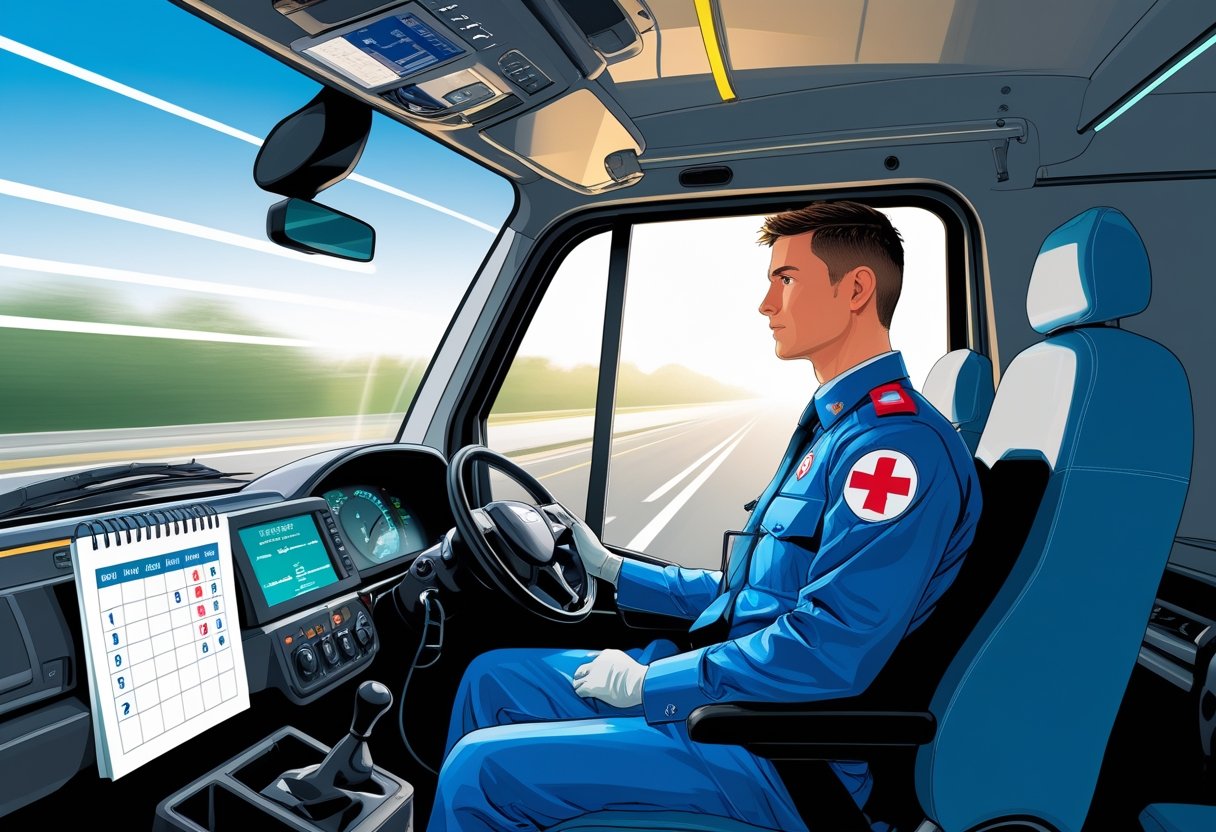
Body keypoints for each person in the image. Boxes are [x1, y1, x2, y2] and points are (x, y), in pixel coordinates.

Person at [426, 201, 983, 831]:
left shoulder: (894, 450)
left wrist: (651, 683)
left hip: (780, 751)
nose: (766, 304)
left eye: (787, 279)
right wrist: (612, 569)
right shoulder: (836, 429)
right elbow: (750, 594)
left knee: (480, 771)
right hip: (739, 695)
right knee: (490, 680)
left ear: (855, 290)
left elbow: (829, 649)